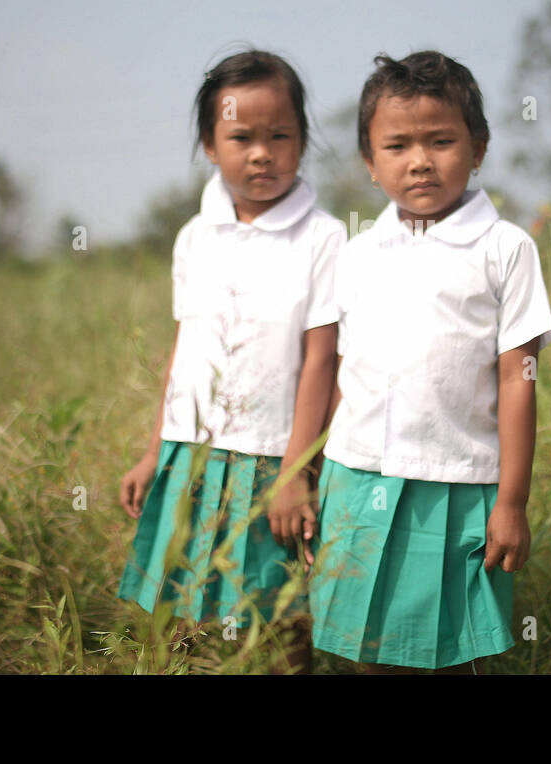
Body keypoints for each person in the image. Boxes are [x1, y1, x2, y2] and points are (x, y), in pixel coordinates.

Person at [304, 49, 551, 673]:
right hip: (356, 478)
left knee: (444, 651)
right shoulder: (358, 255)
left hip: (456, 483)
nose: (419, 160)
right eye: (396, 146)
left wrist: (513, 502)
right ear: (369, 161)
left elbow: (517, 378)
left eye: (441, 140)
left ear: (479, 147)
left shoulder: (505, 249)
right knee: (365, 647)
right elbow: (344, 373)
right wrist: (310, 476)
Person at [118, 49, 345, 674]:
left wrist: (296, 471)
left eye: (281, 136)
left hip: (272, 458)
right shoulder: (194, 237)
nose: (262, 153)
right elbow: (185, 347)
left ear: (302, 141)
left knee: (277, 611)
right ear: (210, 145)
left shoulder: (323, 238)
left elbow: (322, 360)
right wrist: (154, 447)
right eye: (242, 137)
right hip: (187, 454)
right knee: (181, 607)